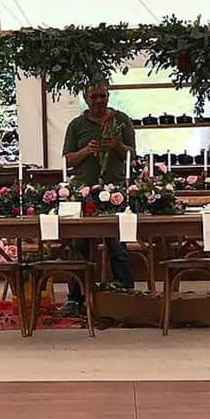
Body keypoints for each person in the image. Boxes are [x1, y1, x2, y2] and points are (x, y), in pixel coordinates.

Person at [62, 82, 135, 298]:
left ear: (108, 96)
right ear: (86, 98)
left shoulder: (121, 121)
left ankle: (126, 296)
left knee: (118, 247)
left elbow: (132, 154)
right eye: (94, 97)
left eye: (102, 96)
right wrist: (85, 151)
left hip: (115, 193)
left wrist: (117, 146)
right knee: (80, 246)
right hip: (84, 193)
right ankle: (77, 297)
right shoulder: (77, 125)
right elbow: (67, 159)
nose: (99, 100)